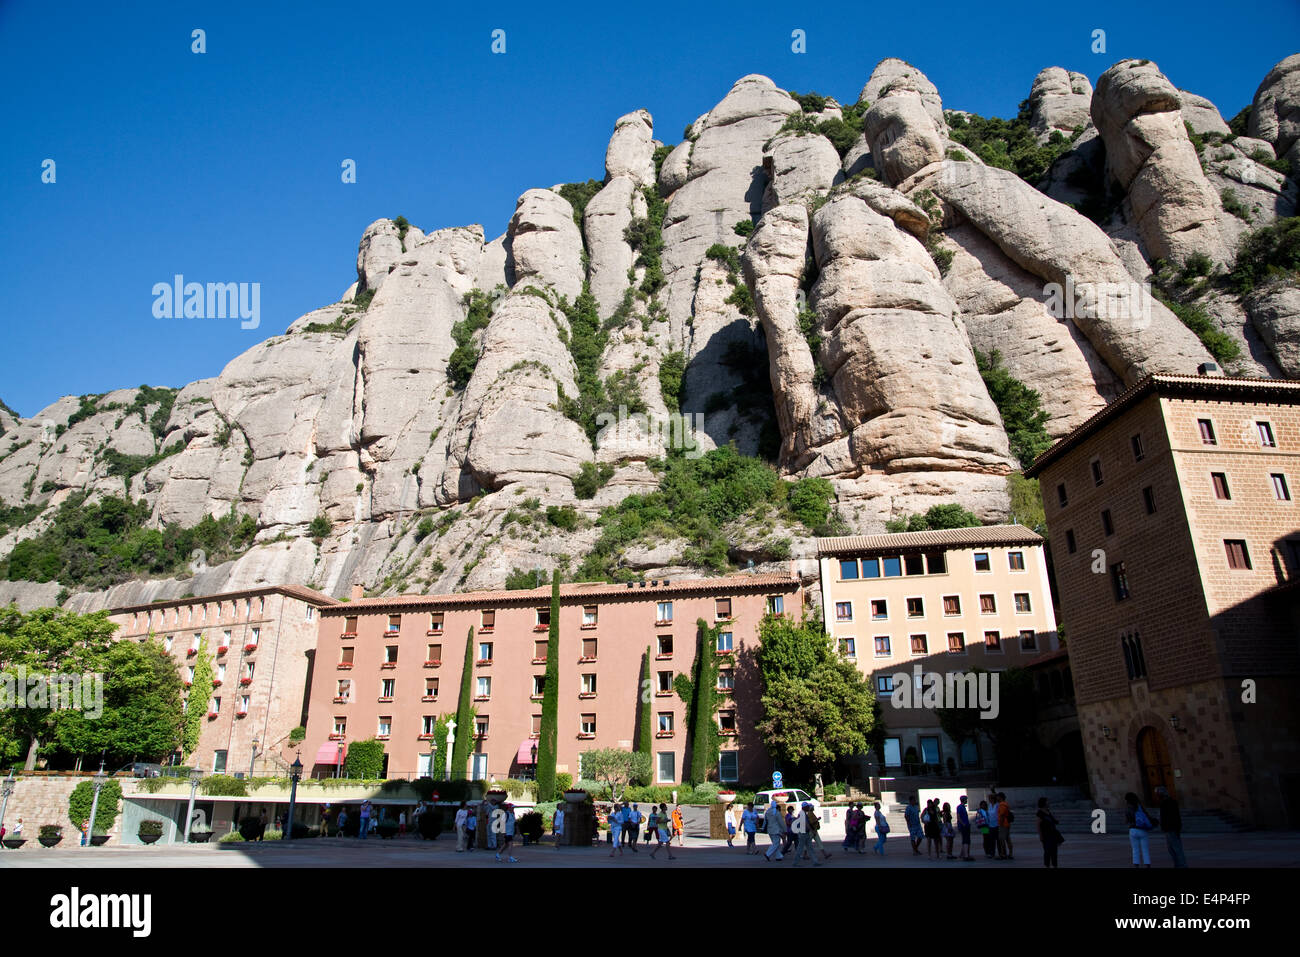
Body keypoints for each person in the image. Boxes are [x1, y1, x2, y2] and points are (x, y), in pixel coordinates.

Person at [1156, 786, 1186, 868]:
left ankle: (1182, 865)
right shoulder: (1165, 802)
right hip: (1168, 829)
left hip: (1171, 828)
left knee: (1176, 848)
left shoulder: (1168, 802)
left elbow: (1173, 816)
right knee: (1171, 849)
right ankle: (1177, 865)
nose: (1157, 796)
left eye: (1158, 794)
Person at [1125, 791, 1155, 868]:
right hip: (1142, 829)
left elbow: (1127, 820)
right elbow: (1146, 816)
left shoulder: (1127, 808)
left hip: (1132, 830)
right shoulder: (1139, 807)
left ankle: (1136, 866)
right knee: (1145, 849)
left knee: (1135, 850)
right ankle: (1148, 865)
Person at [792, 803, 823, 867]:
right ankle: (795, 862)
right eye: (807, 807)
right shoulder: (803, 814)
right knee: (801, 848)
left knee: (809, 848)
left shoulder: (802, 814)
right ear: (804, 807)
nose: (808, 808)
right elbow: (806, 824)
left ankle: (815, 861)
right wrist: (812, 831)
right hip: (803, 833)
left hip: (804, 832)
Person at [1036, 797, 1064, 868]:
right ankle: (1047, 865)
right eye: (1047, 801)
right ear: (1044, 803)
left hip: (1053, 834)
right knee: (1047, 851)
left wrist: (1057, 820)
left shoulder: (1048, 811)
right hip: (1046, 835)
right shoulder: (1040, 813)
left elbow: (1053, 820)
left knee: (1054, 851)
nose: (1048, 802)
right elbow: (1038, 825)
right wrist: (1040, 835)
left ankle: (1055, 865)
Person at [997, 792, 1013, 860]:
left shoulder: (1002, 805)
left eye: (998, 797)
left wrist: (1000, 824)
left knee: (1002, 839)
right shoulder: (1005, 804)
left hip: (1003, 824)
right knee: (1007, 839)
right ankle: (1010, 853)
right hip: (1006, 824)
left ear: (1000, 797)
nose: (997, 798)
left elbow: (1002, 815)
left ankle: (1004, 854)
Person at [956, 795, 973, 861]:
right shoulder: (960, 807)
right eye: (966, 799)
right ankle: (966, 855)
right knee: (966, 840)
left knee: (966, 840)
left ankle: (963, 854)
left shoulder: (962, 807)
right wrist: (963, 824)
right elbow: (958, 816)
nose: (966, 801)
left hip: (966, 825)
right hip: (964, 826)